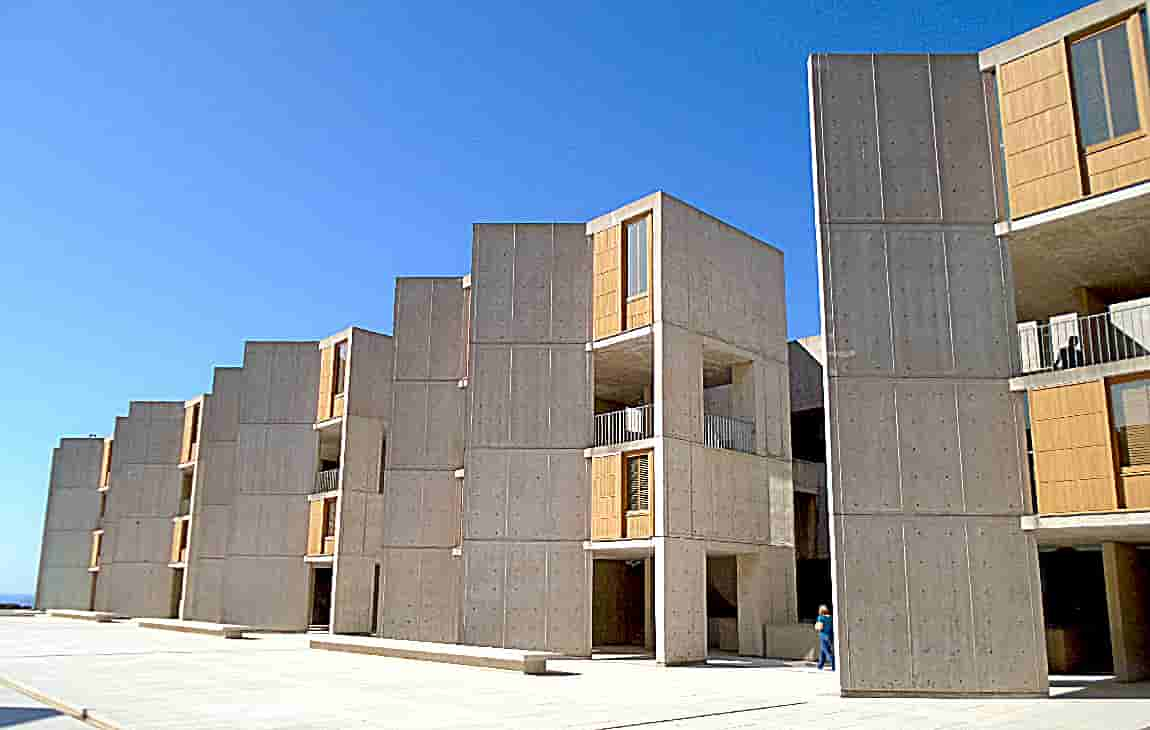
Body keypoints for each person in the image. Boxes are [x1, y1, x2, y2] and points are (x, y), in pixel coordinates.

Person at [815, 604, 834, 671]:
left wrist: (816, 626)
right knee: (822, 650)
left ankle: (834, 664)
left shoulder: (820, 617)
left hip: (823, 636)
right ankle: (820, 665)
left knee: (827, 651)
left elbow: (819, 627)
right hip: (831, 636)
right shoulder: (831, 617)